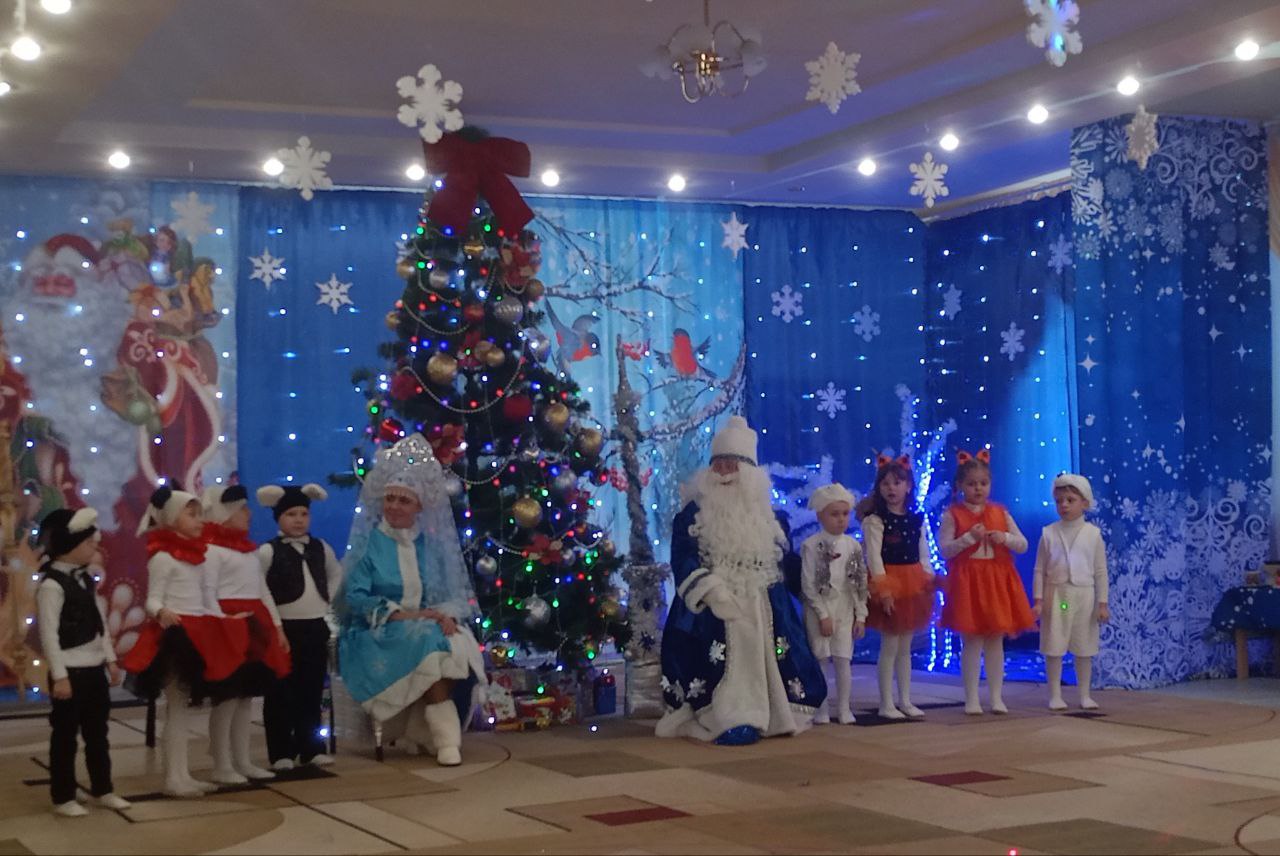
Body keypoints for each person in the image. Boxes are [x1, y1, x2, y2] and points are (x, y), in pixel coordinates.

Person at [656, 416, 827, 745]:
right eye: (718, 465)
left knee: (774, 654)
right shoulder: (692, 515)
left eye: (731, 465)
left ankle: (773, 712)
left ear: (748, 472)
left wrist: (815, 583)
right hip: (711, 604)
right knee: (722, 654)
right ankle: (732, 717)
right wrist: (711, 591)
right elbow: (683, 558)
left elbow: (784, 562)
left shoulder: (770, 518)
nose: (723, 473)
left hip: (765, 602)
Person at [336, 434, 485, 767]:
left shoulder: (427, 546)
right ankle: (445, 739)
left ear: (419, 506)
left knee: (459, 644)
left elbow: (448, 594)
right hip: (375, 632)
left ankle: (421, 730)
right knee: (433, 642)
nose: (394, 506)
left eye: (403, 501)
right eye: (389, 499)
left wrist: (445, 615)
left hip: (421, 627)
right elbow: (355, 598)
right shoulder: (369, 545)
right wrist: (404, 616)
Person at [120, 486, 251, 797]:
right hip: (175, 638)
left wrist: (225, 619)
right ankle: (173, 777)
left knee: (184, 711)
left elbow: (207, 600)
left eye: (199, 515)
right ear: (170, 519)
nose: (198, 520)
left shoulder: (199, 557)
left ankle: (183, 774)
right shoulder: (163, 558)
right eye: (191, 515)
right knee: (176, 709)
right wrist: (161, 611)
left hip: (199, 634)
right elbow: (152, 600)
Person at [36, 507, 132, 817]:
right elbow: (48, 634)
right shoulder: (51, 586)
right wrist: (60, 675)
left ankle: (103, 788)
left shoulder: (85, 580)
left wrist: (110, 659)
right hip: (70, 671)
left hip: (93, 669)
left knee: (97, 734)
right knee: (65, 737)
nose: (95, 548)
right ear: (69, 544)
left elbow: (99, 622)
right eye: (89, 543)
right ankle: (63, 795)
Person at [202, 485, 290, 784]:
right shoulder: (212, 551)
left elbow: (263, 591)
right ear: (224, 514)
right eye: (241, 508)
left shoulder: (249, 551)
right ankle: (222, 763)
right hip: (229, 628)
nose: (248, 513)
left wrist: (277, 627)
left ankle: (243, 759)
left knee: (245, 698)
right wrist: (221, 622)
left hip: (254, 626)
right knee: (226, 698)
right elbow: (208, 592)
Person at [939, 450, 1035, 715]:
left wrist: (1005, 538)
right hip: (968, 583)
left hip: (996, 582)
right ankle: (971, 698)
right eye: (971, 484)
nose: (978, 489)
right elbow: (945, 550)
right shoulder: (952, 514)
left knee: (995, 641)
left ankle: (996, 697)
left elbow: (1023, 544)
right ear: (960, 485)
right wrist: (969, 538)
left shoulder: (1000, 513)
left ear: (990, 484)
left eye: (983, 483)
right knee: (971, 642)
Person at [257, 483, 343, 770]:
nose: (298, 520)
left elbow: (336, 573)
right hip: (284, 629)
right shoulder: (268, 551)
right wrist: (275, 623)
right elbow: (259, 587)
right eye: (291, 514)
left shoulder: (320, 548)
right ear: (278, 517)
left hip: (315, 626)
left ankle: (311, 747)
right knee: (280, 690)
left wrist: (326, 600)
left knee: (312, 688)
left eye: (304, 514)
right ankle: (281, 751)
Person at [858, 454, 936, 720]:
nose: (891, 488)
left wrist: (928, 580)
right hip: (890, 581)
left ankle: (905, 699)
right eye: (886, 483)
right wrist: (884, 590)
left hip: (913, 582)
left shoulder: (916, 519)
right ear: (879, 488)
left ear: (908, 486)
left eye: (897, 482)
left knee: (906, 647)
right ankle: (886, 703)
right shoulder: (875, 520)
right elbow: (874, 556)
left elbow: (923, 554)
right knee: (890, 645)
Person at [1033, 473, 1109, 711]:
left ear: (1084, 503)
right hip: (1057, 595)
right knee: (1054, 645)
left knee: (1084, 647)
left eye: (1070, 500)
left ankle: (1085, 694)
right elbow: (1039, 570)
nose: (1064, 505)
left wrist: (1102, 603)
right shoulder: (1048, 533)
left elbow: (1100, 571)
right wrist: (1038, 600)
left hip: (1084, 597)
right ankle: (1055, 695)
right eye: (1059, 501)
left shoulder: (1093, 535)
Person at [799, 483, 867, 725]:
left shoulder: (853, 545)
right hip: (820, 610)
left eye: (845, 514)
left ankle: (844, 707)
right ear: (820, 516)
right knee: (821, 659)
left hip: (845, 609)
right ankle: (821, 708)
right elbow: (808, 584)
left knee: (843, 658)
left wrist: (860, 615)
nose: (840, 519)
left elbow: (859, 582)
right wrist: (822, 615)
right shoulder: (811, 545)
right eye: (834, 514)